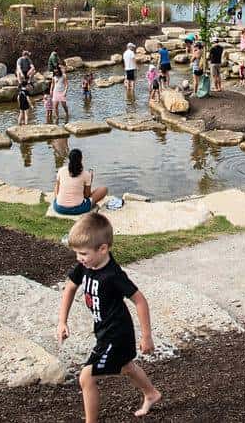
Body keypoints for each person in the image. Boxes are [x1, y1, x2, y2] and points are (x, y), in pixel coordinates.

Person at [57, 213, 162, 422]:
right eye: (77, 253)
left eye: (83, 253)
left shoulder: (113, 275)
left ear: (103, 249)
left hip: (117, 334)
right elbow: (70, 287)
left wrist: (147, 336)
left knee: (86, 377)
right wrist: (62, 321)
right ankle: (151, 394)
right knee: (125, 366)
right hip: (103, 331)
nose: (79, 258)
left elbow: (140, 300)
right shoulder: (85, 266)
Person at [52, 148, 108, 215]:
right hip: (78, 209)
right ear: (81, 159)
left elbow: (57, 188)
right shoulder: (86, 174)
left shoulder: (61, 170)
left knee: (57, 185)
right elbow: (87, 196)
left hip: (59, 208)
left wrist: (57, 198)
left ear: (69, 159)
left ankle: (57, 199)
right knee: (104, 189)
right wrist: (91, 179)